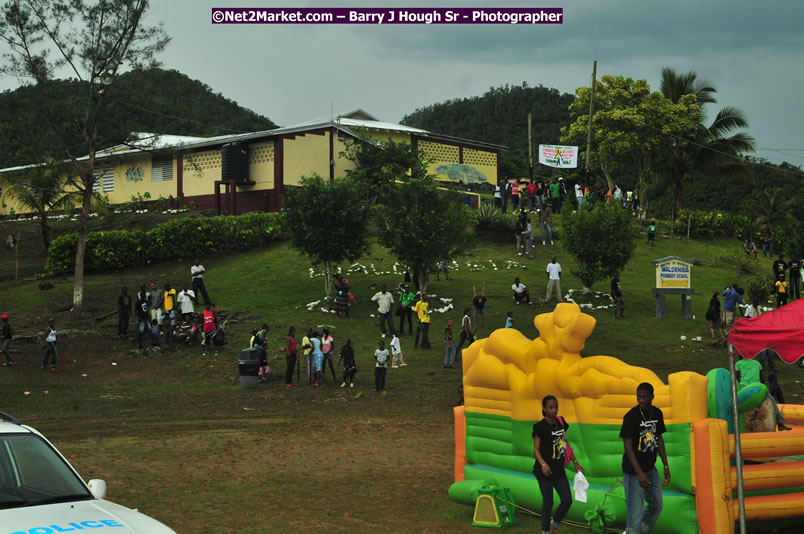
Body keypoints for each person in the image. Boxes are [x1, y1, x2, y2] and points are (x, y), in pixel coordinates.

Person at [620, 383, 669, 534]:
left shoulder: (657, 413)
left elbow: (659, 439)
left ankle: (637, 532)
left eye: (644, 397)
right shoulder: (631, 416)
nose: (640, 400)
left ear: (652, 397)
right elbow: (627, 445)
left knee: (656, 504)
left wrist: (666, 466)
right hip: (633, 471)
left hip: (650, 468)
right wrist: (639, 473)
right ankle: (633, 531)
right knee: (635, 513)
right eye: (638, 397)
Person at [533, 395, 584, 534]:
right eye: (550, 407)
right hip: (544, 471)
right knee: (548, 503)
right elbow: (536, 449)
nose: (554, 410)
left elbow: (565, 444)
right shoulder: (540, 427)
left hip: (558, 470)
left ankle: (554, 524)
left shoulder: (561, 422)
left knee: (567, 500)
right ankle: (545, 531)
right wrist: (543, 464)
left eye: (556, 406)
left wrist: (576, 462)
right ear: (544, 408)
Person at [135, 285, 149, 349]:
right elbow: (136, 310)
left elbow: (147, 309)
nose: (143, 296)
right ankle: (140, 344)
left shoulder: (146, 301)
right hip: (141, 318)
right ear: (140, 296)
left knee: (150, 329)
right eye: (142, 295)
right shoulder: (138, 302)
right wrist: (138, 317)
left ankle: (153, 342)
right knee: (140, 330)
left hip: (146, 317)